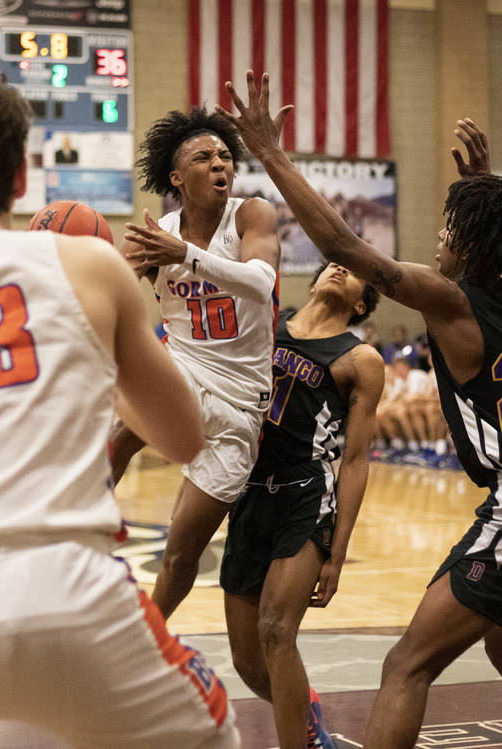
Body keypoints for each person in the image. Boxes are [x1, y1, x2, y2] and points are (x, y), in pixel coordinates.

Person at [220, 72, 502, 748]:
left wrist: (271, 154)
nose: (439, 237)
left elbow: (341, 247)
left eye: (452, 227)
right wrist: (483, 184)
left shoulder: (452, 299)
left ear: (475, 245)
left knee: (405, 664)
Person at [0, 74, 240, 748]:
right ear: (22, 175)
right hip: (67, 595)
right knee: (215, 732)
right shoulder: (88, 264)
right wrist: (87, 363)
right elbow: (182, 435)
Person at [115, 104, 282, 621]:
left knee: (181, 551)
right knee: (116, 435)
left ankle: (148, 640)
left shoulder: (252, 214)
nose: (220, 164)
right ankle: (71, 542)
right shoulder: (154, 234)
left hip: (240, 404)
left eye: (226, 156)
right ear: (176, 176)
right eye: (205, 157)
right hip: (183, 370)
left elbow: (262, 282)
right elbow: (112, 299)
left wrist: (184, 254)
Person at [221, 262, 383, 749]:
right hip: (249, 491)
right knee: (248, 662)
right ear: (311, 283)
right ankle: (308, 714)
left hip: (306, 493)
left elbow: (355, 461)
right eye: (332, 264)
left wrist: (337, 552)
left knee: (275, 629)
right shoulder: (263, 326)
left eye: (353, 271)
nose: (339, 267)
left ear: (360, 304)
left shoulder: (361, 360)